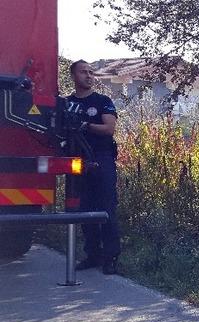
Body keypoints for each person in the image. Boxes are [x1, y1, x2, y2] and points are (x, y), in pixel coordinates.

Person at [67, 60, 121, 275]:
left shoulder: (102, 101)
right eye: (83, 72)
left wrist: (85, 125)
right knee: (83, 208)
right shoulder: (66, 103)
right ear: (73, 76)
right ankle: (92, 254)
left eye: (91, 72)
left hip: (102, 158)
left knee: (106, 208)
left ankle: (111, 257)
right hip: (77, 162)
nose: (89, 76)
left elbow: (109, 129)